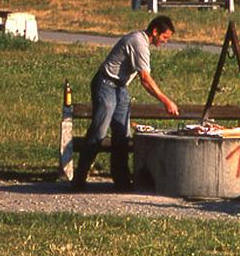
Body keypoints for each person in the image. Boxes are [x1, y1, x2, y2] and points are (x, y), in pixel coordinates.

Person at [72, 16, 179, 190]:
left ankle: (121, 180)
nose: (165, 41)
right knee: (99, 131)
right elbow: (145, 79)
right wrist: (166, 101)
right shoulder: (139, 42)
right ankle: (80, 177)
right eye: (165, 37)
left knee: (123, 133)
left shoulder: (142, 42)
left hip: (120, 87)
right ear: (155, 32)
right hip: (106, 83)